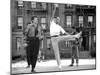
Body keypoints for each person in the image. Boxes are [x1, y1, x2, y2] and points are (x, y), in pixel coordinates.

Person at [50, 4, 82, 71]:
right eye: (57, 19)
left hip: (58, 37)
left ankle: (76, 36)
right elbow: (53, 15)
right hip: (53, 39)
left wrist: (70, 36)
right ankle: (59, 66)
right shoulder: (52, 23)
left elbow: (65, 34)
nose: (58, 20)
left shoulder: (60, 27)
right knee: (56, 52)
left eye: (59, 20)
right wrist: (55, 8)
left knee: (65, 36)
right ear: (55, 19)